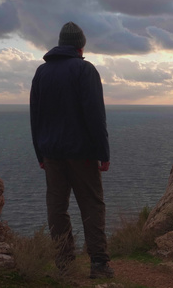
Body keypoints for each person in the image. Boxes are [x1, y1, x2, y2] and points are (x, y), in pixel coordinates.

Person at [30, 21, 113, 279]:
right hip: (82, 153)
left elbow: (36, 116)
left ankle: (64, 265)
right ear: (81, 46)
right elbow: (95, 116)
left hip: (52, 153)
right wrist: (104, 152)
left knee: (57, 208)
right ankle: (99, 264)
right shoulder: (84, 70)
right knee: (92, 206)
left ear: (60, 43)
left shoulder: (41, 72)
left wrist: (40, 153)